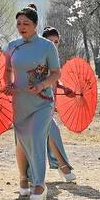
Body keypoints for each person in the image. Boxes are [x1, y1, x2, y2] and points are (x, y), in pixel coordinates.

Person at [5, 4, 61, 200]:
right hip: (20, 102)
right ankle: (24, 178)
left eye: (26, 23)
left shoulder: (47, 46)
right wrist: (8, 84)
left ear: (35, 25)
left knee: (37, 136)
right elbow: (7, 70)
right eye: (19, 23)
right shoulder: (12, 45)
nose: (21, 26)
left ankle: (39, 184)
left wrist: (41, 85)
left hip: (42, 101)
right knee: (23, 141)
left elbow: (56, 73)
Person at [40, 27, 77, 182]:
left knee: (46, 136)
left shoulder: (55, 58)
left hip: (49, 103)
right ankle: (63, 166)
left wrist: (63, 88)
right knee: (52, 132)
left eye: (56, 42)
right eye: (50, 41)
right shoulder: (39, 57)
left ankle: (59, 166)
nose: (54, 45)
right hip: (38, 102)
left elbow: (55, 79)